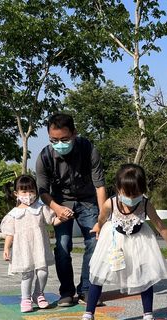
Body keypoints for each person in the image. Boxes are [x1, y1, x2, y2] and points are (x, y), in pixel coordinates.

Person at [78, 164, 167, 320]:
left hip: (139, 241)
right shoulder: (111, 203)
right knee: (98, 276)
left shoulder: (144, 203)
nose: (131, 197)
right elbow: (101, 217)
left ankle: (148, 314)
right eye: (126, 193)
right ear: (118, 189)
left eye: (135, 193)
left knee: (145, 276)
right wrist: (98, 227)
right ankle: (88, 314)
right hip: (113, 241)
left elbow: (160, 225)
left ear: (142, 190)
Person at [35, 113, 107, 307]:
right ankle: (66, 292)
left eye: (64, 139)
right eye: (54, 140)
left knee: (94, 242)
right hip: (60, 202)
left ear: (74, 133)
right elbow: (42, 191)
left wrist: (102, 219)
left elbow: (100, 186)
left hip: (88, 201)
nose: (59, 144)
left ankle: (86, 290)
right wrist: (57, 208)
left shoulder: (89, 150)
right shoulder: (44, 156)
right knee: (63, 246)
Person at [1, 175, 65, 313]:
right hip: (23, 249)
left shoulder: (41, 208)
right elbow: (9, 233)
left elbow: (52, 221)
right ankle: (25, 299)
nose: (28, 195)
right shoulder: (14, 214)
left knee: (43, 272)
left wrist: (63, 217)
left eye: (31, 191)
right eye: (24, 192)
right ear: (16, 194)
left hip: (39, 247)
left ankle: (38, 294)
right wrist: (6, 248)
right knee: (27, 274)